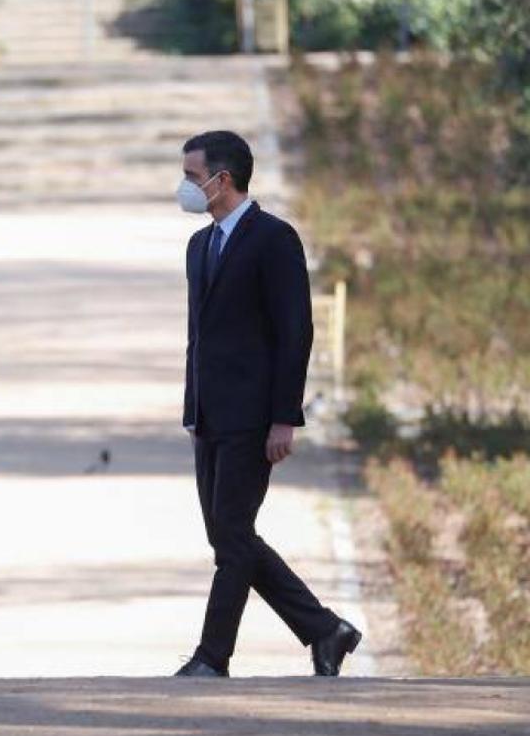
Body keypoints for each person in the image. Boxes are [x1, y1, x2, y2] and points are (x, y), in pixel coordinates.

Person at [175, 130, 362, 678]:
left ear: (222, 179)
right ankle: (325, 630)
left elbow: (294, 332)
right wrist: (193, 408)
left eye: (191, 177)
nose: (185, 188)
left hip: (254, 418)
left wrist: (285, 416)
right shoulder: (199, 246)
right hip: (210, 416)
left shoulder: (273, 239)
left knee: (232, 535)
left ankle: (212, 657)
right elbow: (198, 338)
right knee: (228, 536)